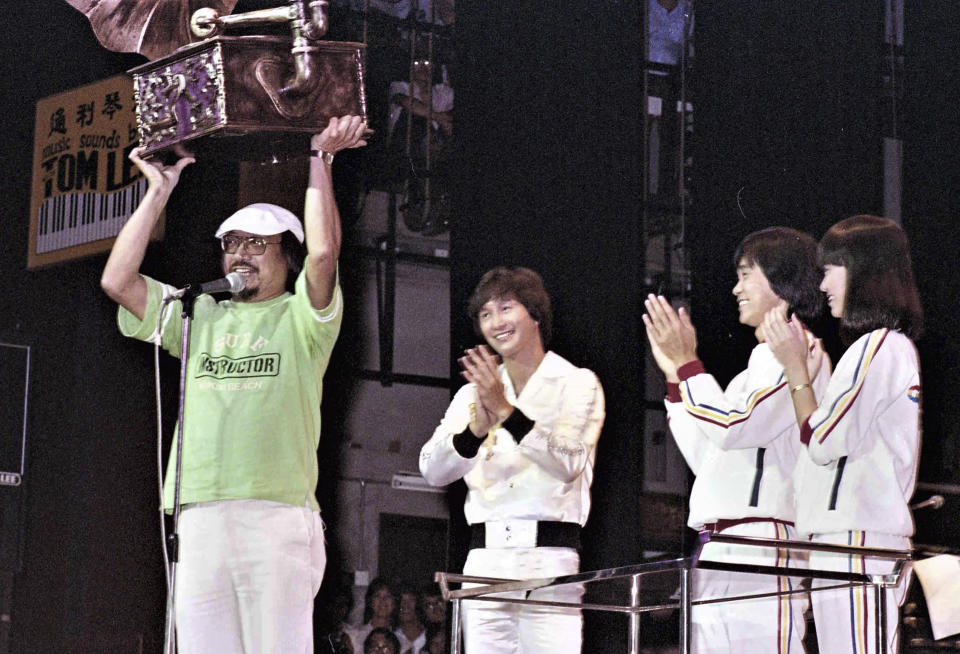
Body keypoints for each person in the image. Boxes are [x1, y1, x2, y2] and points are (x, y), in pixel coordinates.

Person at [100, 115, 368, 654]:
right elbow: (117, 282)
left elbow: (323, 254)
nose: (240, 254)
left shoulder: (304, 319)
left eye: (257, 244)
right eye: (231, 243)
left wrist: (321, 157)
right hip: (198, 514)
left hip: (276, 517)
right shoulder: (199, 315)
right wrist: (158, 191)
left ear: (286, 256)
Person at [643, 227, 830, 654]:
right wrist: (675, 377)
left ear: (782, 282)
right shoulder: (757, 366)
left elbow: (731, 426)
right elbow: (711, 457)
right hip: (722, 547)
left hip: (762, 548)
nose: (735, 288)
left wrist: (689, 365)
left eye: (747, 275)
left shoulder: (799, 350)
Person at [419, 266, 605, 654]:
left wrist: (506, 412)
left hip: (549, 562)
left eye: (505, 308)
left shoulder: (576, 382)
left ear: (535, 313)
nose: (496, 323)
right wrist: (473, 433)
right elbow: (432, 470)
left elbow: (569, 461)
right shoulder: (472, 394)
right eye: (485, 314)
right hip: (486, 563)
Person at [763, 215, 923, 654]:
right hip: (856, 540)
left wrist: (795, 367)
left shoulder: (877, 345)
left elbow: (823, 440)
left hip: (857, 541)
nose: (823, 283)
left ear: (862, 271)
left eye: (832, 268)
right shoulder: (888, 348)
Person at [345, 578, 399, 651]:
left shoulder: (402, 640)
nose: (382, 600)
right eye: (377, 595)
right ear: (370, 601)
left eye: (388, 596)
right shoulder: (353, 636)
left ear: (394, 602)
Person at [395, 583, 426, 654]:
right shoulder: (393, 638)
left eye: (411, 600)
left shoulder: (430, 638)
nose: (406, 605)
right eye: (401, 600)